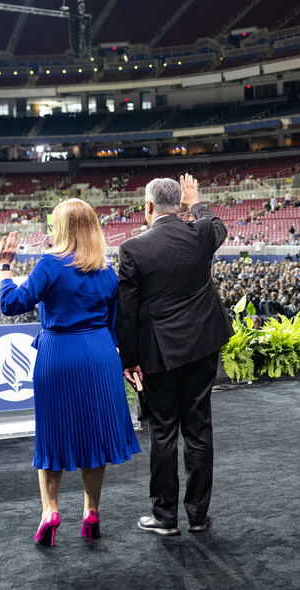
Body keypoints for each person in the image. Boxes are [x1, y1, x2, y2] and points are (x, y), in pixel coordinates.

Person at [0, 199, 142, 548]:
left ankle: (50, 510)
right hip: (100, 355)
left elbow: (10, 304)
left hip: (58, 354)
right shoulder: (107, 272)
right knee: (94, 435)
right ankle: (91, 512)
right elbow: (116, 325)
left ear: (60, 228)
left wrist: (4, 267)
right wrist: (126, 361)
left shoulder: (49, 265)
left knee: (53, 435)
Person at [117, 174, 232, 536]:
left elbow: (127, 310)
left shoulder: (133, 248)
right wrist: (195, 203)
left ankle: (165, 516)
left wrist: (129, 360)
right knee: (199, 429)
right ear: (179, 205)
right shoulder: (201, 233)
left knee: (163, 432)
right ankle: (198, 516)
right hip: (202, 347)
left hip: (159, 353)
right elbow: (217, 224)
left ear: (147, 207)